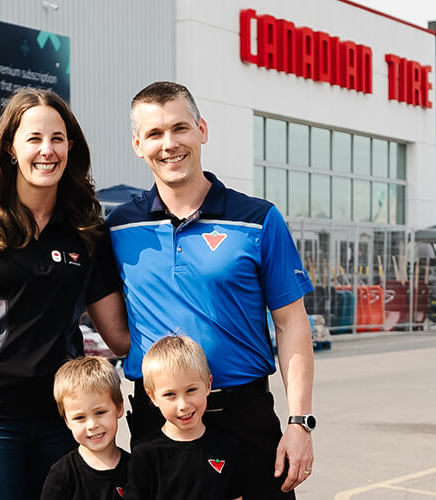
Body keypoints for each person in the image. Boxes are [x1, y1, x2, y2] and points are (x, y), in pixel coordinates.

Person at [107, 81, 316, 498]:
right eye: (154, 133)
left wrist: (300, 422)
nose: (169, 144)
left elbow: (292, 324)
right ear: (137, 144)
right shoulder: (118, 228)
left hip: (245, 419)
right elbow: (111, 325)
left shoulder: (258, 219)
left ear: (202, 129)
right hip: (159, 420)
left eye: (180, 128)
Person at [0, 88, 129, 500]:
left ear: (70, 147)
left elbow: (119, 336)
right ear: (11, 148)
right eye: (34, 139)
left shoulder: (86, 232)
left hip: (64, 416)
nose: (47, 151)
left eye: (57, 139)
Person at [126, 335, 243, 500]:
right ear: (152, 396)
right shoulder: (144, 454)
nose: (183, 405)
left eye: (191, 390)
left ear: (208, 385)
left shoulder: (228, 446)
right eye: (170, 394)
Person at [40, 356, 129, 500]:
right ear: (67, 421)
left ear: (119, 407)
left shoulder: (137, 468)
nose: (92, 425)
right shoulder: (62, 475)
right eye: (80, 418)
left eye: (100, 413)